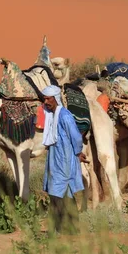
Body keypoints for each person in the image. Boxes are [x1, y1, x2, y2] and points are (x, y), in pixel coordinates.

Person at [41, 85, 86, 234]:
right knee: (64, 195)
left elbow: (76, 137)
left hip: (65, 161)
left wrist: (78, 152)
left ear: (56, 99)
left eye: (48, 98)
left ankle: (59, 230)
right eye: (45, 98)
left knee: (57, 195)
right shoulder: (51, 115)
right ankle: (70, 229)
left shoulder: (65, 116)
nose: (46, 101)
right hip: (55, 159)